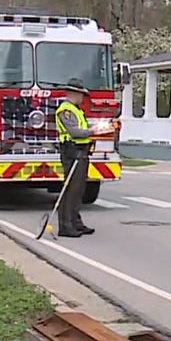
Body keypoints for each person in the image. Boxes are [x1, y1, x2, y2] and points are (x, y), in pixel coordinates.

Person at [55, 78, 97, 237]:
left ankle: (76, 222)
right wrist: (93, 131)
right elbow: (75, 132)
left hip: (82, 152)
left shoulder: (77, 109)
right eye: (81, 94)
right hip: (72, 152)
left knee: (79, 189)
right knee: (71, 189)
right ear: (74, 93)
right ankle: (66, 226)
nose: (83, 98)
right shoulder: (65, 110)